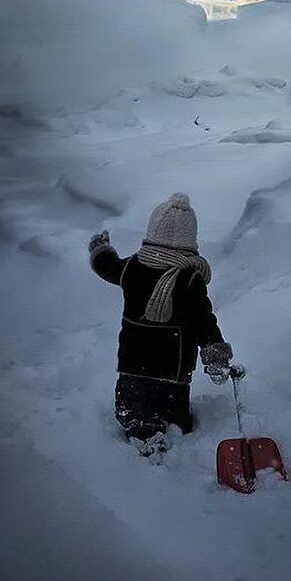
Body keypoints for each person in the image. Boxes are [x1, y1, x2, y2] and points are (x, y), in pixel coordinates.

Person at [89, 192, 234, 453]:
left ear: (152, 230)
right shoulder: (190, 277)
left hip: (134, 365)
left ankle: (144, 437)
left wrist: (100, 249)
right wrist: (215, 355)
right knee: (174, 414)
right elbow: (204, 321)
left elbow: (107, 267)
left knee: (131, 408)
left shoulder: (133, 266)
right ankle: (173, 439)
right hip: (174, 370)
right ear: (190, 238)